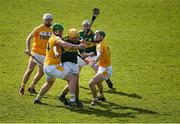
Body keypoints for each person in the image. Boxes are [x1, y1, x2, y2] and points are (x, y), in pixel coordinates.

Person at [34, 23, 86, 106]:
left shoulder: (52, 38)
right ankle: (73, 101)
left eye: (62, 31)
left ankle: (38, 98)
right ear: (55, 31)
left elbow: (56, 47)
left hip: (46, 66)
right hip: (53, 66)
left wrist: (79, 43)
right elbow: (65, 44)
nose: (62, 33)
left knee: (49, 83)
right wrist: (79, 46)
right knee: (73, 79)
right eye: (60, 31)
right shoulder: (56, 38)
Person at [19, 13, 53, 95]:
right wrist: (28, 49)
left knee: (41, 72)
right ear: (43, 20)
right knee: (30, 70)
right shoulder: (38, 29)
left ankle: (32, 87)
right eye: (46, 20)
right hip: (35, 53)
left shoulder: (52, 31)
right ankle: (22, 86)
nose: (48, 21)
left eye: (50, 20)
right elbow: (28, 38)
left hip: (45, 55)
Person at [78, 20, 114, 89]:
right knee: (77, 68)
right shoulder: (80, 33)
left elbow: (96, 43)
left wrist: (85, 42)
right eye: (84, 26)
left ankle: (107, 79)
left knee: (97, 70)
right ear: (82, 27)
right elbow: (77, 41)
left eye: (87, 26)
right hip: (83, 54)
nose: (86, 27)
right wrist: (80, 41)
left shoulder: (94, 34)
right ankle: (76, 81)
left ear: (90, 26)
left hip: (92, 55)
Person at [59, 28, 83, 107]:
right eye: (74, 38)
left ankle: (76, 99)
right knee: (72, 82)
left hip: (75, 63)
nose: (76, 39)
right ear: (69, 36)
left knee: (76, 83)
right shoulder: (64, 40)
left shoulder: (78, 42)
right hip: (66, 63)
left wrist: (88, 55)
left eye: (77, 37)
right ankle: (67, 97)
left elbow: (82, 52)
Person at [89, 30, 112, 105]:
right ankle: (101, 96)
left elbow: (99, 55)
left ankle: (95, 100)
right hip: (103, 67)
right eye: (94, 35)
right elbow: (106, 53)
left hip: (106, 70)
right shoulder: (103, 43)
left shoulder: (99, 45)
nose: (94, 36)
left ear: (101, 37)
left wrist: (94, 61)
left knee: (91, 83)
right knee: (98, 82)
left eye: (97, 35)